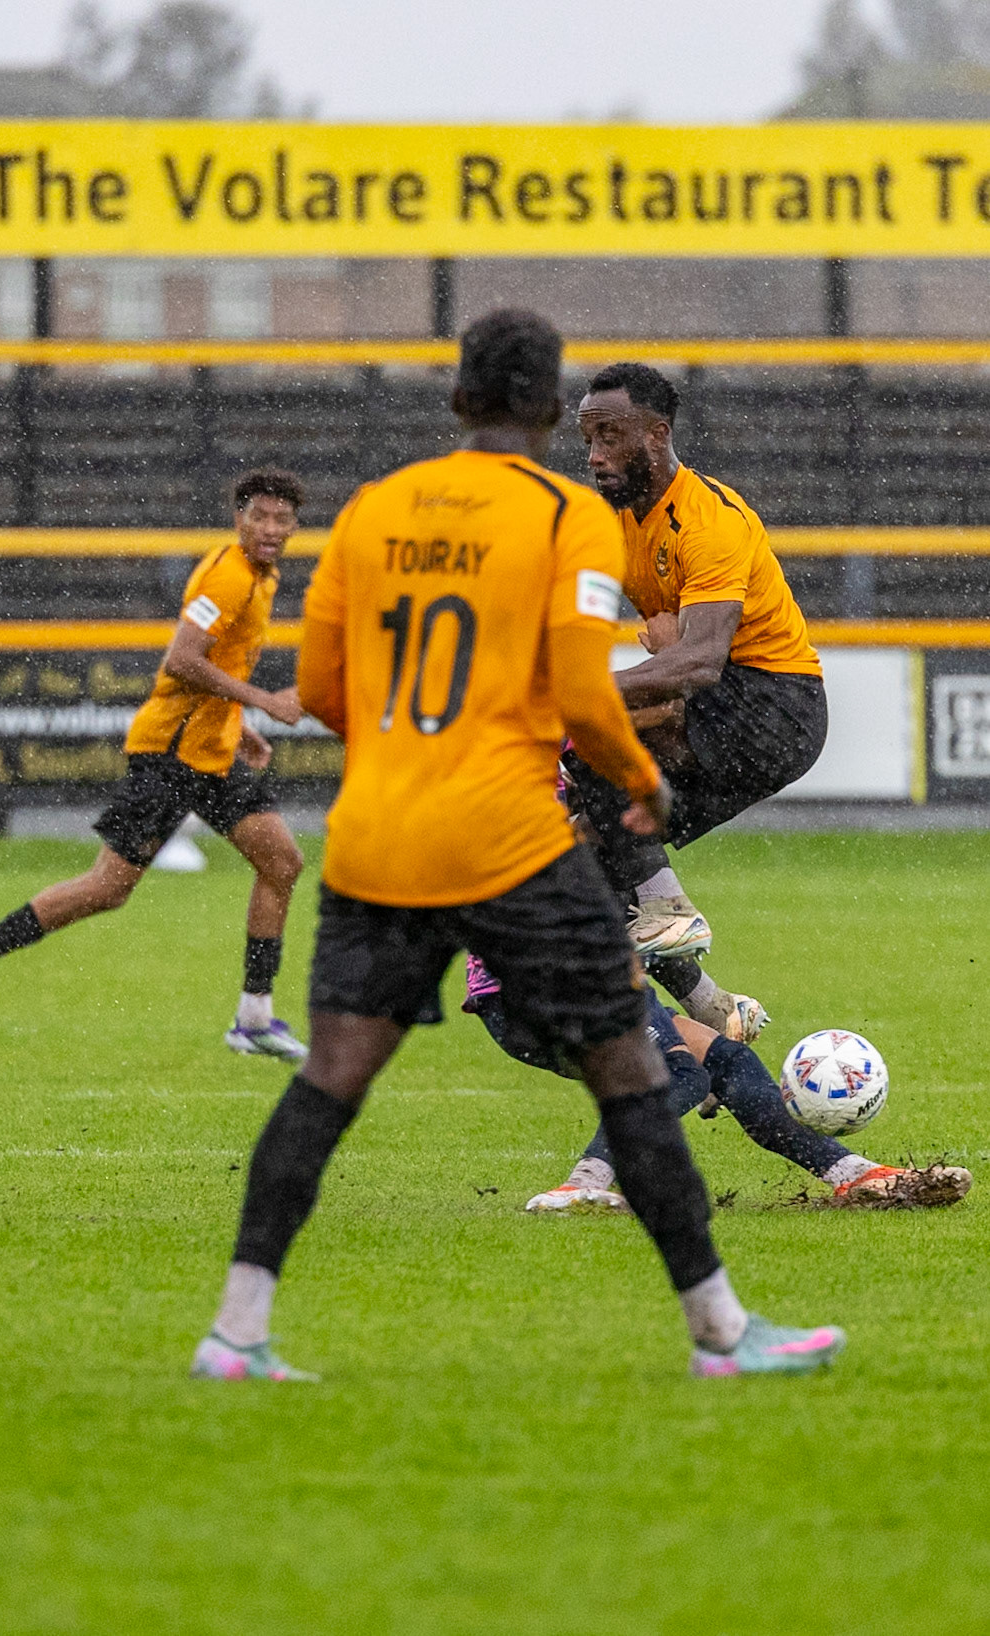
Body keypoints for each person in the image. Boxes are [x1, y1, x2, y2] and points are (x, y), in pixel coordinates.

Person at [191, 309, 844, 1384]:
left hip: (381, 834)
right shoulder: (566, 519)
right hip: (509, 837)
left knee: (329, 1078)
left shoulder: (372, 510)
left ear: (456, 400)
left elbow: (315, 693)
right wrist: (637, 788)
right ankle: (721, 1334)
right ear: (549, 411)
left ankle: (235, 1331)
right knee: (632, 1072)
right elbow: (586, 697)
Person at [0, 467, 310, 1063]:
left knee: (281, 862)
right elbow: (181, 661)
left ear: (294, 527)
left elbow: (214, 669)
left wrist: (240, 728)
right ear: (239, 519)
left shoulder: (265, 576)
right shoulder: (230, 576)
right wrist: (263, 701)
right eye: (259, 516)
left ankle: (253, 1017)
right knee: (107, 889)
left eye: (282, 518)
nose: (270, 527)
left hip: (208, 754)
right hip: (168, 757)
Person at [569, 362, 828, 1039]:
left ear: (656, 434)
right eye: (587, 439)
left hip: (773, 707)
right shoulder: (612, 525)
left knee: (595, 746)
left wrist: (579, 689)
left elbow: (702, 659)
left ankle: (667, 912)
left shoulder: (708, 519)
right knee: (587, 858)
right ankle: (713, 1016)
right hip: (724, 703)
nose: (594, 455)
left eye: (609, 437)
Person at [463, 957, 973, 1212]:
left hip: (534, 1000)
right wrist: (707, 997)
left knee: (727, 1063)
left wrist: (709, 1002)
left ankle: (853, 1174)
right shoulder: (594, 802)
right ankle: (580, 1187)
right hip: (553, 985)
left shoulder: (582, 799)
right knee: (684, 1074)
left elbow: (640, 923)